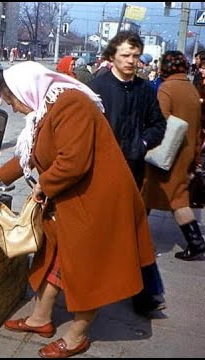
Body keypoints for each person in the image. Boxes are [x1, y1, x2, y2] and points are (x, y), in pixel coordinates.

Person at [0, 61, 156, 358]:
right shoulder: (48, 106)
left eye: (12, 100)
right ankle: (40, 318)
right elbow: (32, 156)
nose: (13, 108)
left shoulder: (70, 104)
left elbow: (72, 162)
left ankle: (77, 336)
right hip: (76, 196)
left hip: (99, 200)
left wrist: (43, 186)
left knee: (87, 268)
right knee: (56, 257)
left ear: (25, 91)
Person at [88, 31, 167, 316]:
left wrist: (143, 143)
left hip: (134, 173)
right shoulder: (97, 87)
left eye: (135, 55)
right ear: (112, 57)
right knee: (99, 233)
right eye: (125, 55)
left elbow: (158, 124)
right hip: (101, 174)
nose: (132, 61)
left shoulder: (145, 90)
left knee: (136, 234)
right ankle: (93, 287)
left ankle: (145, 295)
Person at [142, 51, 205, 261]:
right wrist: (195, 159)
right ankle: (196, 242)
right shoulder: (191, 89)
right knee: (178, 198)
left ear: (165, 68)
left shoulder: (167, 89)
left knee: (147, 195)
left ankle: (134, 238)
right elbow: (197, 130)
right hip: (185, 154)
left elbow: (160, 122)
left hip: (166, 155)